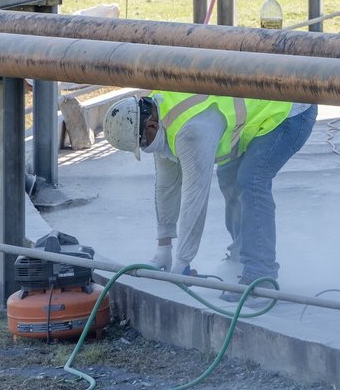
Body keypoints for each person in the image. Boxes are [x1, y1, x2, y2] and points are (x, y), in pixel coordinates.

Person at [103, 90, 317, 299]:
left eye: (142, 144)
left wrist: (182, 264)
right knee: (229, 177)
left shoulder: (190, 131)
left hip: (288, 111)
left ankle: (262, 278)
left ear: (151, 125)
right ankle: (239, 259)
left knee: (251, 181)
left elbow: (194, 199)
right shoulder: (157, 113)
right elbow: (167, 187)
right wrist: (163, 249)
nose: (146, 149)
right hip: (258, 116)